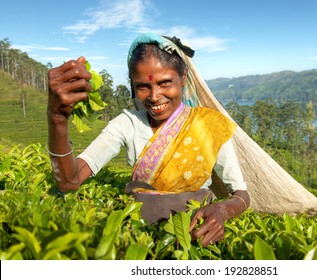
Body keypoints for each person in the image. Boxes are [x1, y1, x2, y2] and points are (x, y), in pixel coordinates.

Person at [47, 33, 250, 246]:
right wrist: (57, 119)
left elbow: (241, 195)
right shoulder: (127, 124)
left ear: (183, 77)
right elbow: (70, 182)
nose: (154, 97)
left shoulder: (210, 125)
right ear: (133, 85)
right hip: (140, 239)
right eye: (143, 86)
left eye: (165, 83)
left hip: (196, 239)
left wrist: (222, 210)